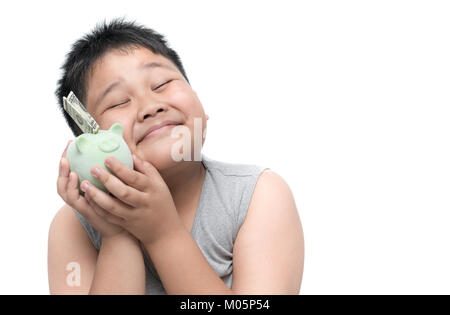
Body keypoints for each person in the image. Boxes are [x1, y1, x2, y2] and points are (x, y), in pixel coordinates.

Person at [48, 18, 304, 295]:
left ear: (200, 107)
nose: (151, 106)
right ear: (88, 140)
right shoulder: (73, 227)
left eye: (161, 84)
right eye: (119, 101)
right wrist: (117, 235)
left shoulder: (257, 195)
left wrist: (163, 233)